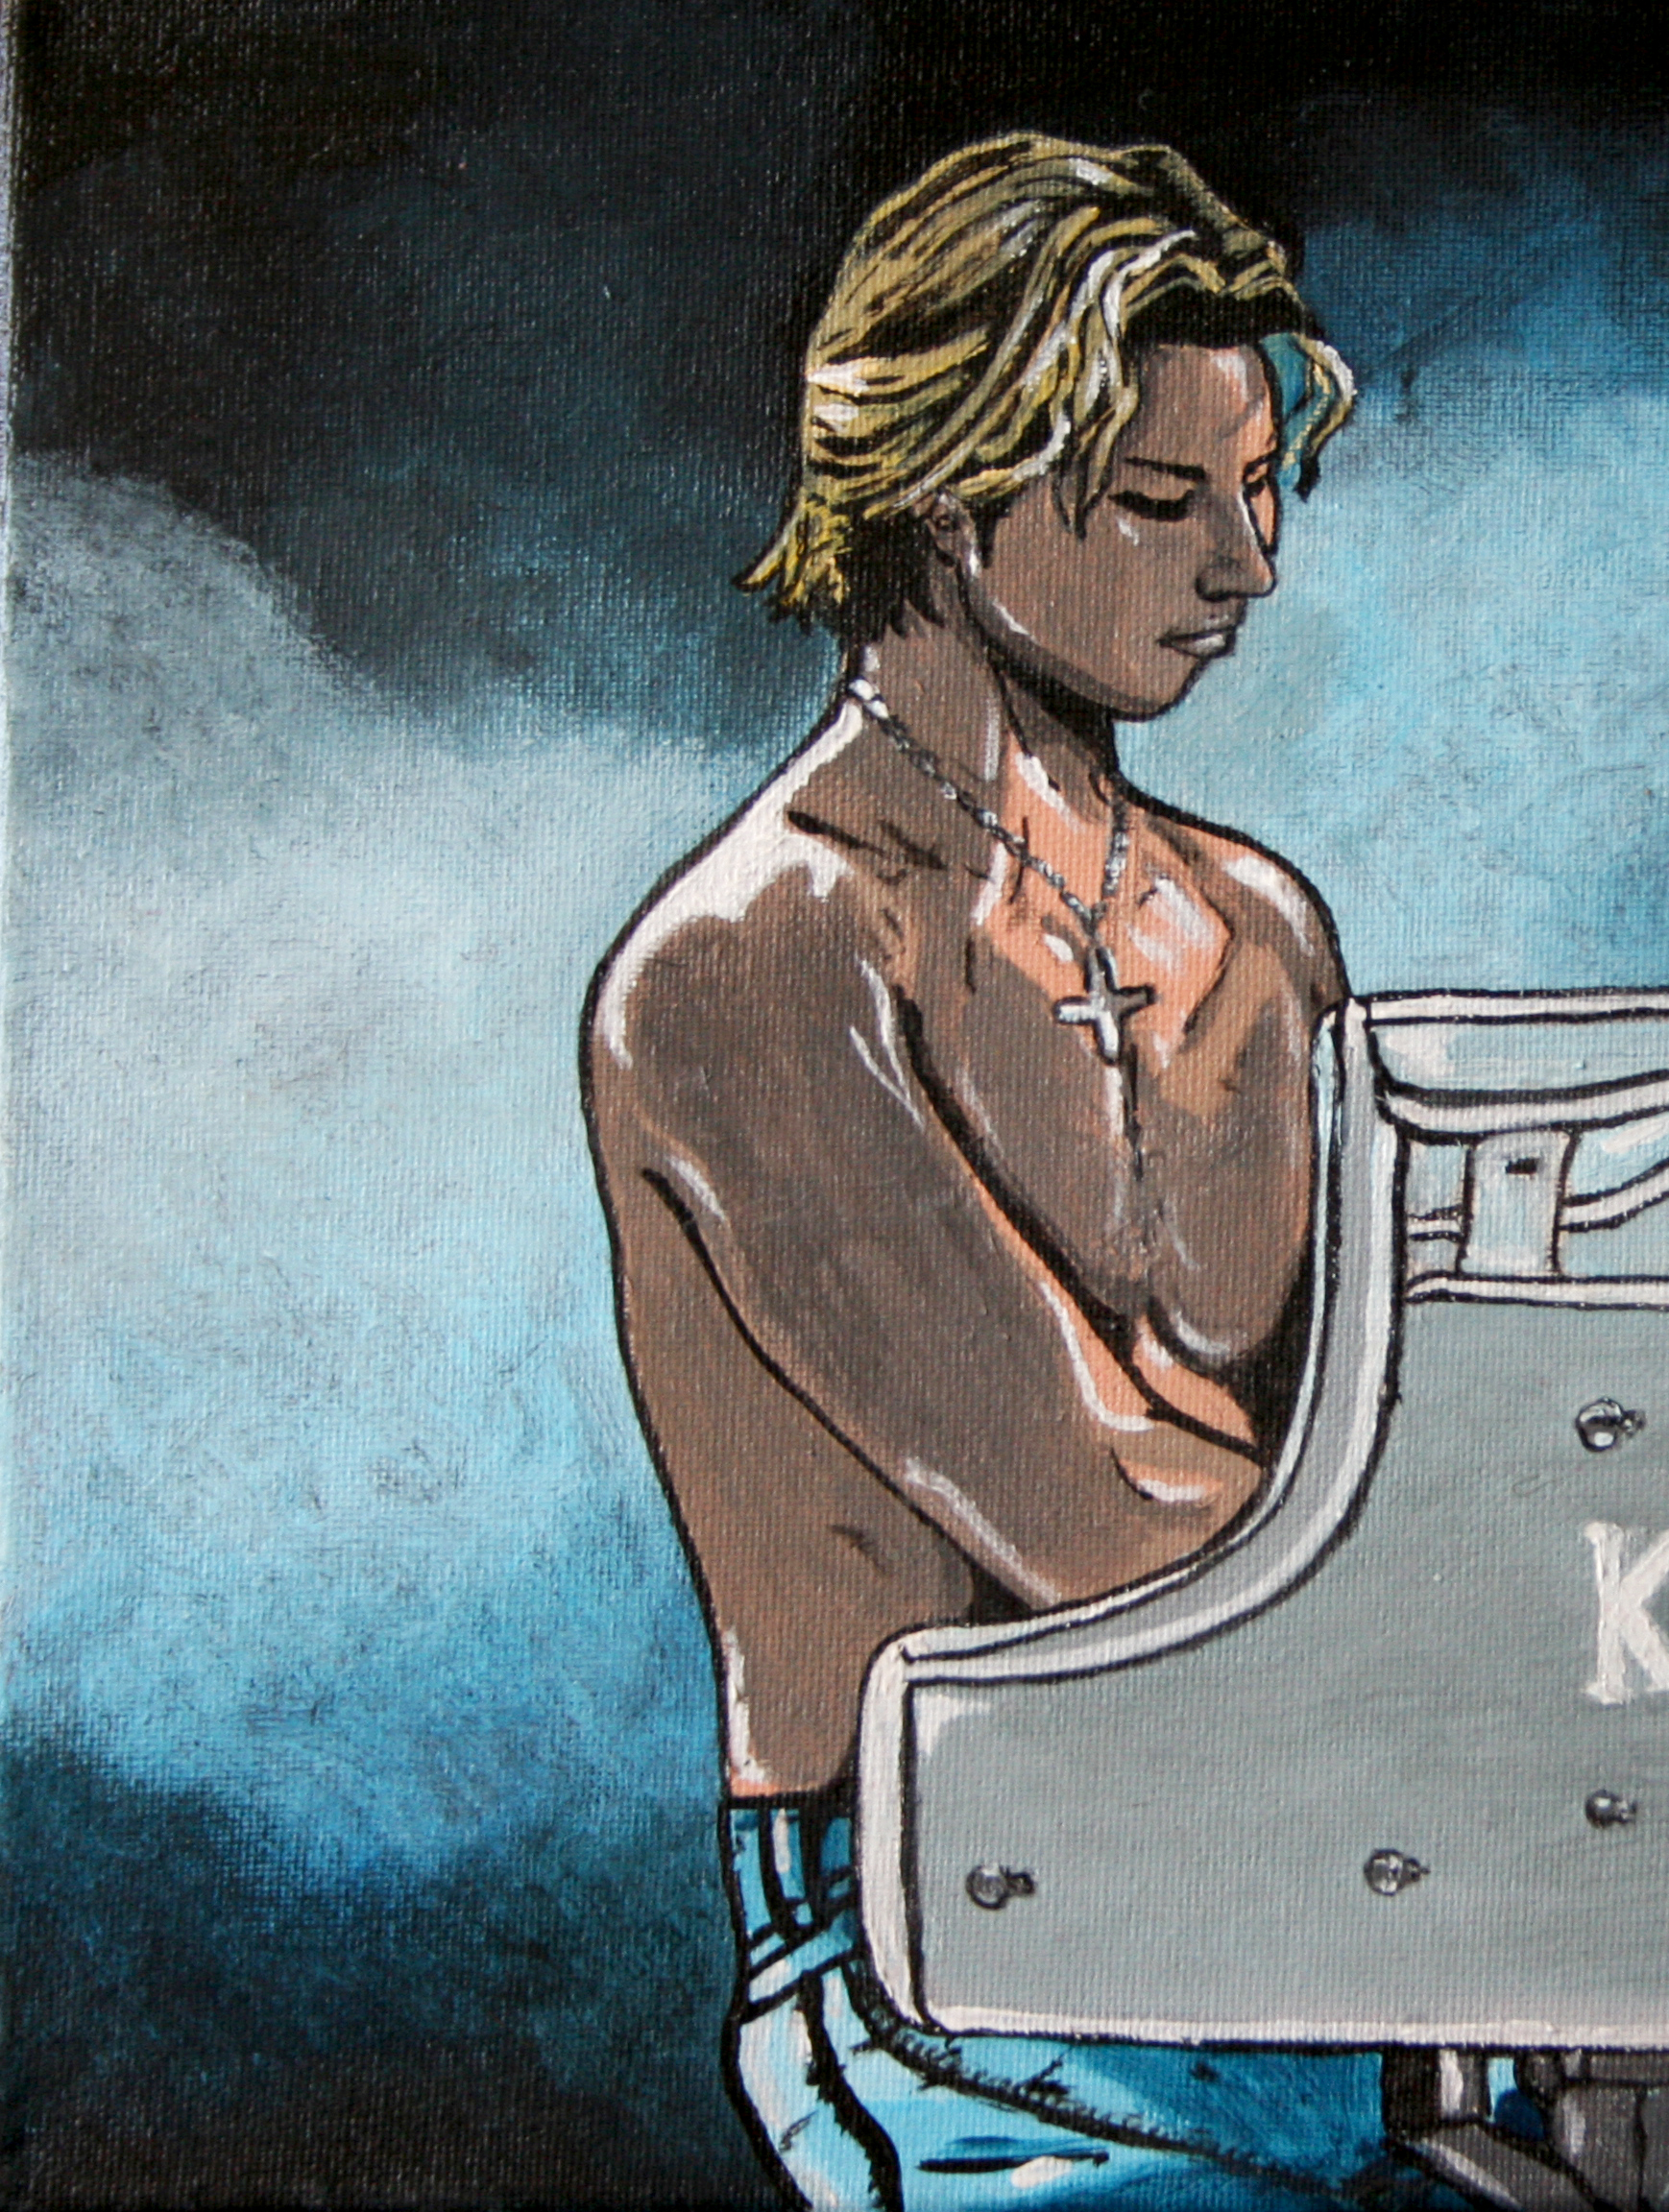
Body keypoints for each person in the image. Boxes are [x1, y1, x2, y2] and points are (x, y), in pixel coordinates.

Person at [582, 134, 1424, 2211]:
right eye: (1161, 501)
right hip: (953, 1965)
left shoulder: (1264, 939)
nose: (1246, 569)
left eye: (1263, 493)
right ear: (952, 500)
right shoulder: (752, 959)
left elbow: (1392, 1437)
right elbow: (1088, 1515)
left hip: (1341, 1895)